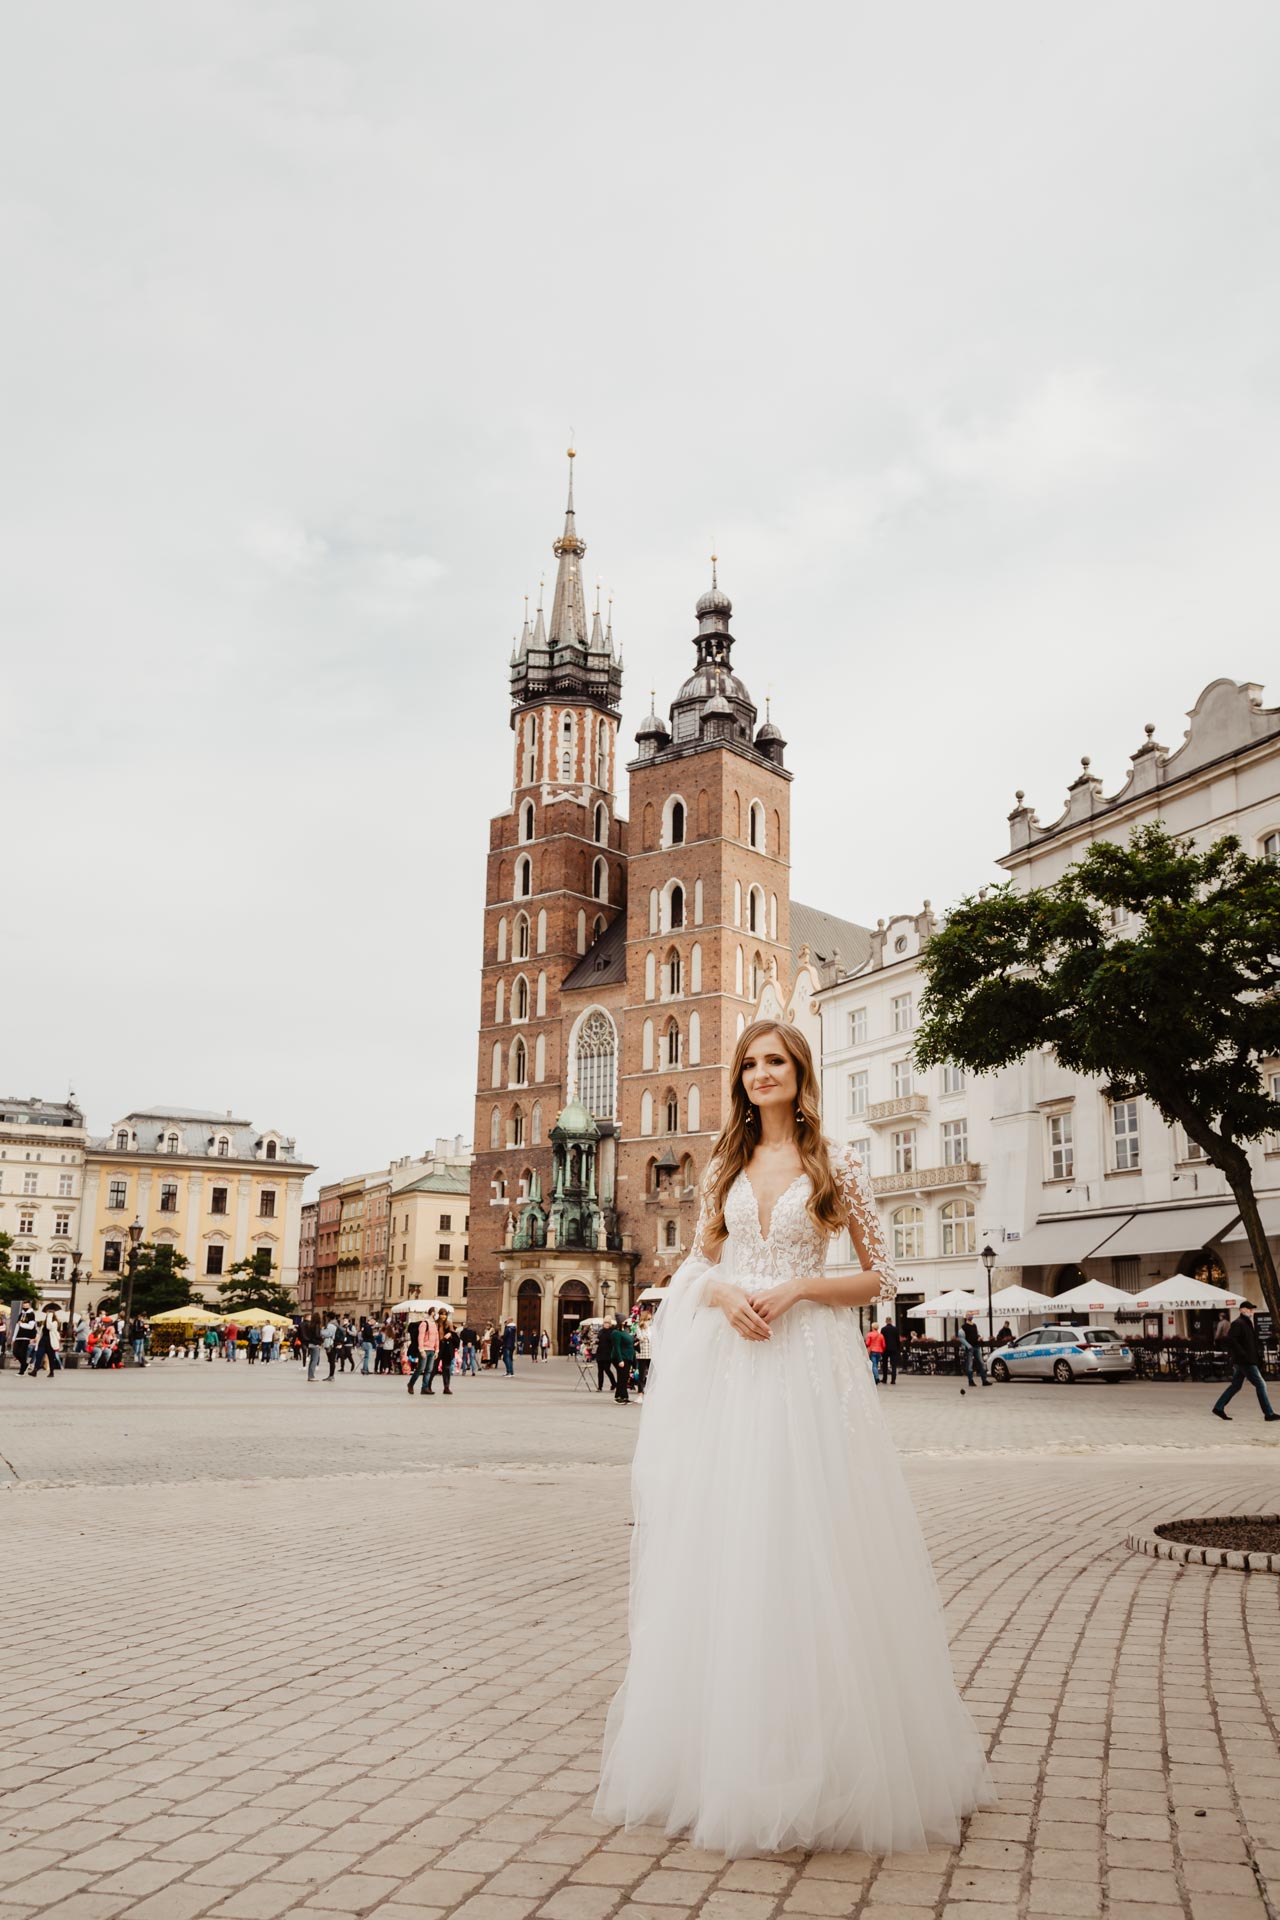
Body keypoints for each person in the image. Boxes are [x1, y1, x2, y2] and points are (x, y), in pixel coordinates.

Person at [594, 1019, 993, 1859]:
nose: (760, 1074)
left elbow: (880, 1276)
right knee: (734, 1544)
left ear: (799, 1071)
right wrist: (719, 1295)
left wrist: (805, 1287)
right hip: (736, 1372)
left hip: (810, 1371)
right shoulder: (724, 1164)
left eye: (774, 1061)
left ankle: (830, 1760)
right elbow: (696, 1266)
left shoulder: (834, 1162)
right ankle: (729, 1758)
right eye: (749, 1064)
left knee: (813, 1542)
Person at [1212, 1302, 1279, 1423]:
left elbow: (1249, 1343)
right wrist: (1243, 1354)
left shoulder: (1247, 1323)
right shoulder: (1238, 1323)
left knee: (1236, 1385)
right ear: (1242, 1310)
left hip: (1245, 1360)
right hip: (1245, 1361)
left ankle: (1218, 1407)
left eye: (1252, 1310)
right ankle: (1268, 1413)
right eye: (1250, 1309)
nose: (1252, 1312)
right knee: (1261, 1384)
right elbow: (1232, 1340)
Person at [30, 1303, 62, 1379]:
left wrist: (50, 1317)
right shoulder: (44, 1323)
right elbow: (41, 1332)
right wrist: (37, 1339)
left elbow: (49, 1327)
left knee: (51, 1357)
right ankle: (35, 1370)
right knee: (39, 1355)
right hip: (43, 1341)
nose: (47, 1315)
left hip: (50, 1342)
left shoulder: (55, 1323)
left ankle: (51, 1372)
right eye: (47, 1314)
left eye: (49, 1314)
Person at [958, 1314, 990, 1388]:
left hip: (977, 1346)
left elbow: (977, 1334)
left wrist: (979, 1337)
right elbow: (961, 1337)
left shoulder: (974, 1325)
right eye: (969, 1315)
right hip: (970, 1348)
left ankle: (984, 1380)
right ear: (966, 1317)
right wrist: (968, 1345)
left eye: (971, 1315)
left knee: (981, 1363)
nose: (971, 1316)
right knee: (970, 1365)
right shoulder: (963, 1327)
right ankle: (971, 1381)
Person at [612, 1315, 635, 1403]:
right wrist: (620, 1360)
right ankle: (623, 1396)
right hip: (622, 1357)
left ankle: (619, 1396)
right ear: (621, 1321)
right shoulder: (616, 1333)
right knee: (623, 1377)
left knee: (624, 1377)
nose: (627, 1321)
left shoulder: (625, 1331)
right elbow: (617, 1347)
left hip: (627, 1357)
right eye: (625, 1320)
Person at [13, 1304, 38, 1376]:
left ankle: (21, 1371)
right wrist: (13, 1338)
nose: (25, 1307)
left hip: (26, 1337)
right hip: (19, 1336)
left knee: (22, 1353)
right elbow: (17, 1326)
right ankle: (25, 1364)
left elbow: (31, 1326)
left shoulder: (31, 1314)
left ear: (29, 1306)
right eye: (24, 1306)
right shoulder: (21, 1314)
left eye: (26, 1306)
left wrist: (21, 1324)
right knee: (15, 1352)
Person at [437, 1321, 460, 1396]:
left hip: (447, 1352)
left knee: (446, 1369)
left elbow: (457, 1341)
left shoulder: (451, 1332)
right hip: (437, 1349)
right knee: (433, 1369)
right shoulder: (437, 1325)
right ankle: (427, 1386)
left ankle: (446, 1387)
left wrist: (451, 1334)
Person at [595, 1322, 616, 1395]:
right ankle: (600, 1387)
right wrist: (597, 1341)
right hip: (600, 1353)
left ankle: (614, 1383)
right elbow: (598, 1340)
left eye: (607, 1323)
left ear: (610, 1324)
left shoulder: (612, 1332)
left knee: (607, 1370)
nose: (606, 1324)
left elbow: (611, 1341)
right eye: (605, 1323)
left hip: (607, 1354)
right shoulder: (601, 1331)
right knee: (600, 1371)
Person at [634, 1314, 652, 1397]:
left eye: (650, 1319)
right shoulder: (639, 1327)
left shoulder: (651, 1328)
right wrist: (647, 1336)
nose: (649, 1321)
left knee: (651, 1373)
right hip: (642, 1354)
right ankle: (640, 1391)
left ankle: (649, 1389)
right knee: (642, 1374)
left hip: (650, 1353)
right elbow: (640, 1337)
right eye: (648, 1319)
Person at [881, 1318, 900, 1385]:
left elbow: (882, 1339)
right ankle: (893, 1380)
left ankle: (885, 1379)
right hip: (894, 1349)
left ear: (886, 1321)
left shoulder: (883, 1329)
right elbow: (897, 1340)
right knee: (893, 1365)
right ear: (891, 1321)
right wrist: (898, 1348)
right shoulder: (895, 1329)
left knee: (885, 1364)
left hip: (885, 1349)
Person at [306, 1314, 324, 1382]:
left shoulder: (310, 1325)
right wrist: (321, 1339)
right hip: (315, 1344)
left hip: (310, 1344)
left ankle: (310, 1375)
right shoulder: (317, 1325)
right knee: (315, 1360)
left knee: (312, 1360)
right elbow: (317, 1335)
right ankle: (311, 1376)